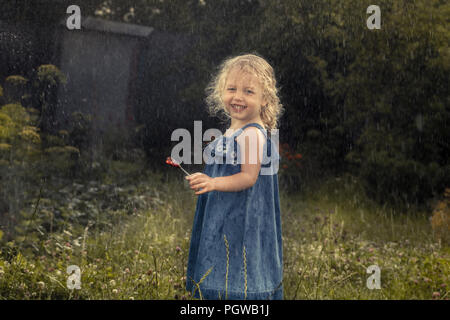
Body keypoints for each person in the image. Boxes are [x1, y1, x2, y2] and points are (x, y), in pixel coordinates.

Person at [185, 53, 284, 300]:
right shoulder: (233, 129)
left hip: (241, 217)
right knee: (220, 259)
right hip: (224, 212)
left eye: (249, 91)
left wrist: (213, 182)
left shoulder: (252, 134)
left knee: (237, 266)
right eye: (232, 89)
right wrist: (206, 178)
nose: (238, 97)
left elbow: (248, 177)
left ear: (264, 99)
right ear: (221, 92)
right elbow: (222, 167)